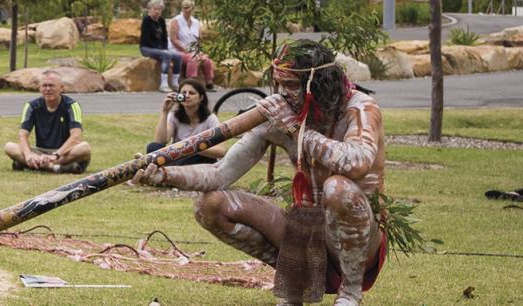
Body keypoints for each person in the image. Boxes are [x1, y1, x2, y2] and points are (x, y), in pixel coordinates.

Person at [135, 40, 388, 305]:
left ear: (319, 83)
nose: (282, 93)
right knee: (210, 204)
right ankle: (295, 278)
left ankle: (350, 293)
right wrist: (164, 175)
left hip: (360, 236)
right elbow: (219, 174)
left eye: (291, 85)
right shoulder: (282, 115)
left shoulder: (359, 108)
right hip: (306, 230)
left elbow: (357, 162)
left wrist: (294, 128)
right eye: (278, 84)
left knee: (337, 188)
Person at [2, 71, 92, 173]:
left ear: (61, 88)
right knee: (9, 147)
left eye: (51, 86)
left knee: (84, 148)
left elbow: (76, 137)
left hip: (64, 152)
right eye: (44, 86)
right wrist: (28, 155)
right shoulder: (32, 106)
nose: (48, 89)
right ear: (39, 88)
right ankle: (56, 168)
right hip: (41, 151)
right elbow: (22, 135)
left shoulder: (72, 106)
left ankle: (31, 165)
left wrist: (56, 155)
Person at [147, 78, 225, 166]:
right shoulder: (174, 116)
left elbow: (221, 151)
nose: (187, 96)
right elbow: (160, 141)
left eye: (191, 93)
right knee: (153, 147)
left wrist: (193, 147)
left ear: (201, 98)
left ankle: (166, 171)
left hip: (202, 161)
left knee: (191, 156)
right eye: (183, 93)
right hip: (179, 158)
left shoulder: (210, 119)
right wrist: (164, 112)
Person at [139, 0, 183, 92]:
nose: (157, 11)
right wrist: (161, 50)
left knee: (178, 56)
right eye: (155, 9)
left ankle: (175, 83)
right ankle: (163, 84)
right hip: (146, 48)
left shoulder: (161, 21)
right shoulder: (146, 21)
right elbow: (146, 40)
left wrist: (164, 48)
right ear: (150, 9)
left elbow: (164, 38)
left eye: (159, 9)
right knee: (166, 55)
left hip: (160, 49)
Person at [169, 0, 215, 87]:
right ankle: (191, 82)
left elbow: (198, 39)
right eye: (185, 8)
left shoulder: (196, 22)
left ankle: (209, 82)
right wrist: (184, 48)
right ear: (181, 9)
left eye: (189, 7)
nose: (187, 10)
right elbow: (173, 39)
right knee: (193, 59)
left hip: (193, 49)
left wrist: (197, 50)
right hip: (178, 50)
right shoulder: (175, 21)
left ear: (192, 8)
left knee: (206, 60)